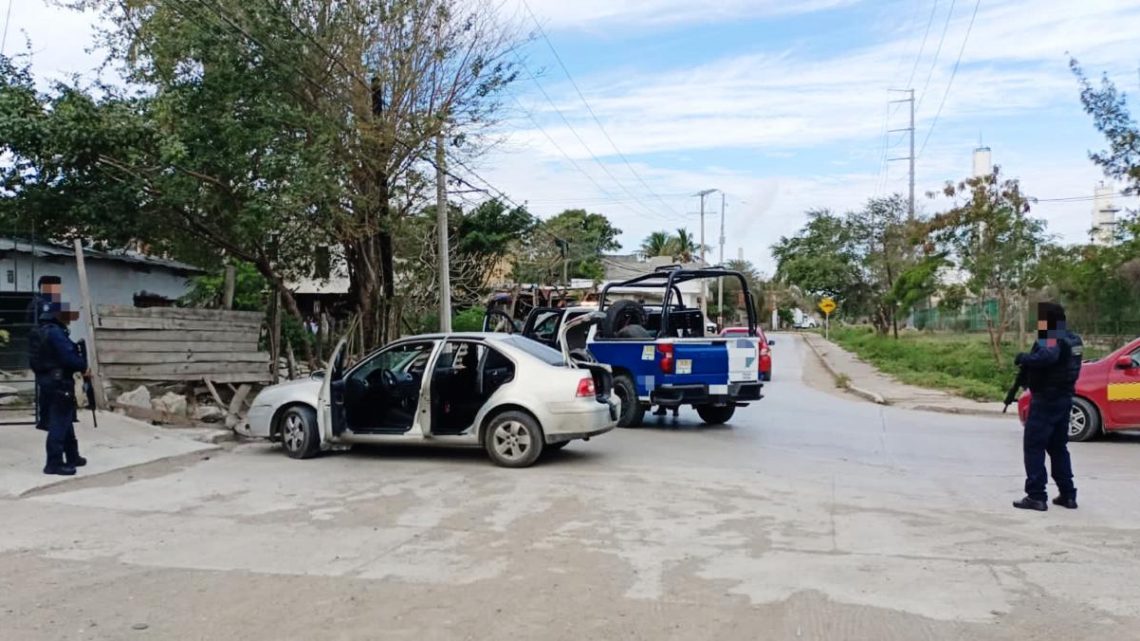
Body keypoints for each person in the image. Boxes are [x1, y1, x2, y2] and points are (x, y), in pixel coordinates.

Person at [1012, 302, 1082, 511]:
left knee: (1034, 447)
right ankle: (1068, 494)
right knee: (1058, 447)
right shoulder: (1073, 338)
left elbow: (1047, 357)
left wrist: (1024, 358)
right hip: (1064, 399)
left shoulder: (1051, 337)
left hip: (1046, 400)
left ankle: (1036, 496)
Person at [31, 297, 89, 476]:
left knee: (65, 420)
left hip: (47, 381)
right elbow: (69, 358)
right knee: (59, 422)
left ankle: (73, 455)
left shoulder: (38, 332)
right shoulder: (56, 333)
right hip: (59, 382)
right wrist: (83, 365)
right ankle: (53, 463)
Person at [27, 275, 64, 432]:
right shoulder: (39, 304)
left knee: (56, 385)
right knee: (48, 387)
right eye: (54, 286)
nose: (57, 290)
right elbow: (33, 326)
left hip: (53, 351)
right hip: (44, 352)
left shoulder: (54, 303)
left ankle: (51, 418)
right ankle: (45, 420)